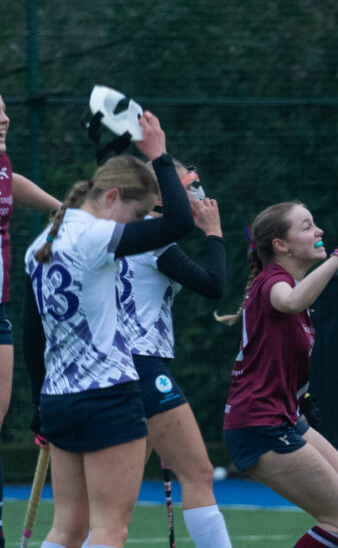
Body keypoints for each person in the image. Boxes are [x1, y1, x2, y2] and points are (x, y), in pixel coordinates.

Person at [25, 111, 195, 548]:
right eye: (137, 215)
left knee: (67, 528)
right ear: (113, 196)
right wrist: (159, 156)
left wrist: (38, 399)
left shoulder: (41, 243)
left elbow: (32, 334)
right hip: (107, 397)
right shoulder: (95, 235)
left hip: (58, 398)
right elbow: (179, 223)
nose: (137, 227)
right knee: (109, 529)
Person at [218, 201, 338, 548]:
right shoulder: (274, 282)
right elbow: (290, 301)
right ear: (281, 245)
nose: (318, 231)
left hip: (283, 418)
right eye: (306, 226)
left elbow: (277, 358)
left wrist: (300, 397)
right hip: (258, 425)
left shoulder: (290, 288)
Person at [120, 162, 233, 548]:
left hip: (119, 366)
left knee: (120, 493)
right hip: (144, 366)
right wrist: (214, 233)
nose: (200, 191)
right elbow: (214, 285)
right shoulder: (154, 243)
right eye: (190, 184)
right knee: (199, 474)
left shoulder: (124, 233)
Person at [0, 91, 63, 546]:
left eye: (4, 110)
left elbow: (13, 182)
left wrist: (61, 209)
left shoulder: (2, 166)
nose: (4, 119)